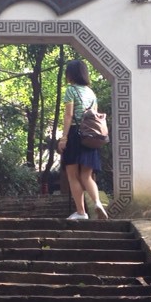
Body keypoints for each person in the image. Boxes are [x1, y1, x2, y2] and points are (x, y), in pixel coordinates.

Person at [57, 59, 108, 220]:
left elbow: (68, 115)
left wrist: (64, 137)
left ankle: (81, 212)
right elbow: (93, 117)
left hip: (74, 134)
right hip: (90, 136)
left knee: (72, 174)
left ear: (70, 74)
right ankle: (98, 203)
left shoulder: (71, 90)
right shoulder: (91, 93)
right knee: (87, 175)